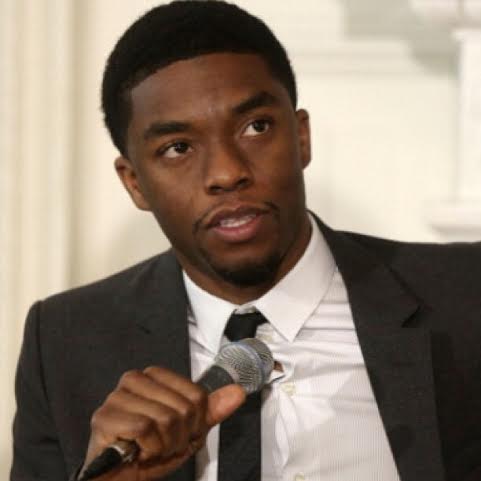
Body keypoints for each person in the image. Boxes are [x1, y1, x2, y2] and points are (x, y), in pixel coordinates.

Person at [10, 1, 481, 481]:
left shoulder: (465, 297)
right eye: (177, 148)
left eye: (256, 127)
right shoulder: (67, 343)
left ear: (301, 137)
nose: (226, 172)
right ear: (135, 184)